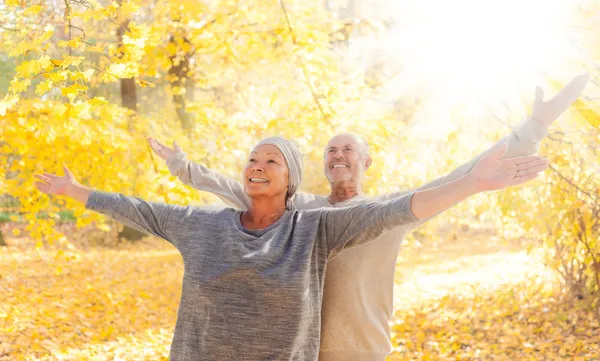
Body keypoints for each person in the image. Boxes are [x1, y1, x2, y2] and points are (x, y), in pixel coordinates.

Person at [148, 73, 590, 361]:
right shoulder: (300, 210)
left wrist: (534, 127)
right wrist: (183, 167)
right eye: (330, 150)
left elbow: (464, 175)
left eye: (348, 150)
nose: (338, 155)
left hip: (360, 351)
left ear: (366, 162)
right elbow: (237, 187)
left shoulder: (389, 213)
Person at [36, 136, 546, 361]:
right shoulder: (200, 225)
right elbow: (139, 209)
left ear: (291, 180)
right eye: (252, 158)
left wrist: (473, 184)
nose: (256, 164)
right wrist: (74, 192)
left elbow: (397, 209)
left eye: (272, 161)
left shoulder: (316, 230)